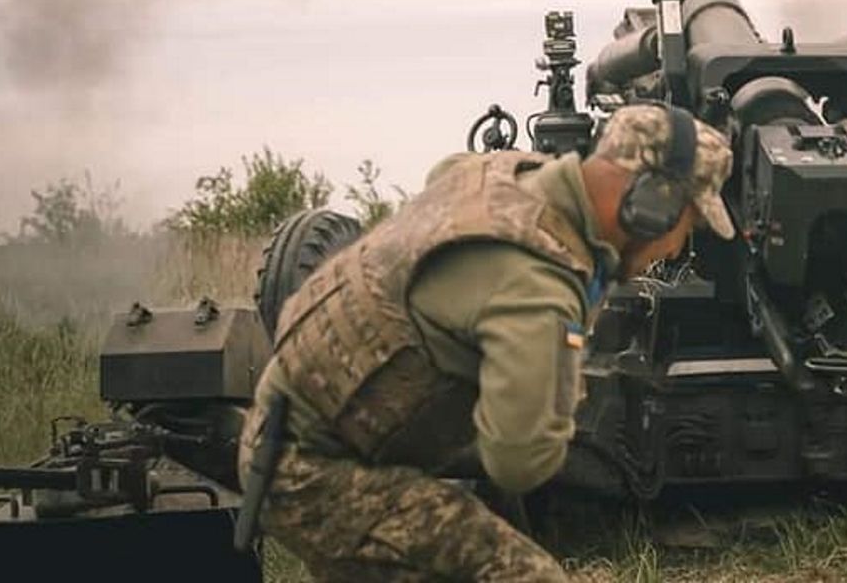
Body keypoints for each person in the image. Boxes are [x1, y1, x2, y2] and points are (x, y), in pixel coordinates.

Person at [238, 103, 733, 582]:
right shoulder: (539, 289)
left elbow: (444, 172)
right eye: (688, 225)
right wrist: (559, 370)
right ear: (652, 202)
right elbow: (519, 461)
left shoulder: (503, 173)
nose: (676, 248)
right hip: (310, 474)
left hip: (297, 420)